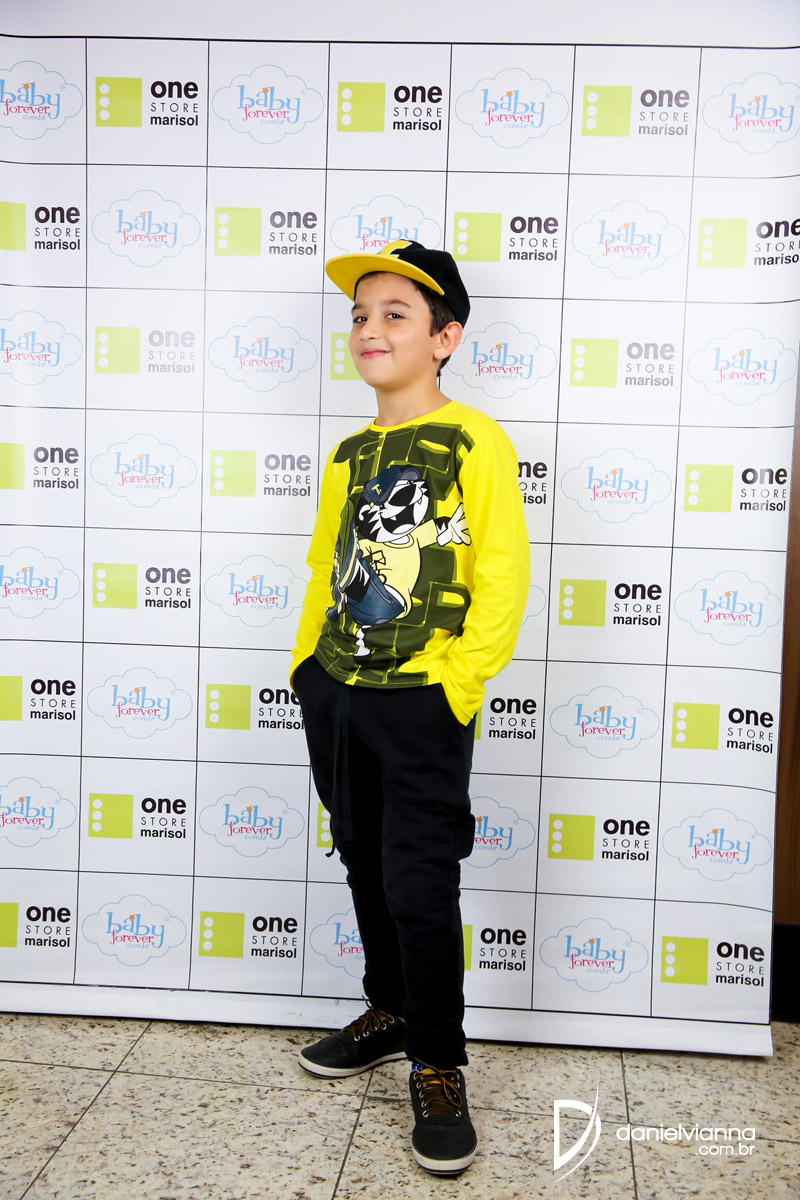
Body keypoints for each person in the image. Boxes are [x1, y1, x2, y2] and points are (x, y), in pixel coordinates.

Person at [290, 239, 530, 1175]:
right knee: (360, 858)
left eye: (396, 313)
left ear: (445, 338)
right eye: (360, 314)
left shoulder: (475, 438)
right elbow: (328, 564)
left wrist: (457, 683)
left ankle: (437, 1060)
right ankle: (387, 1009)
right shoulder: (349, 453)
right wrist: (308, 669)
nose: (370, 329)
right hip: (339, 692)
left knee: (420, 884)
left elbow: (501, 571)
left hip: (424, 698)